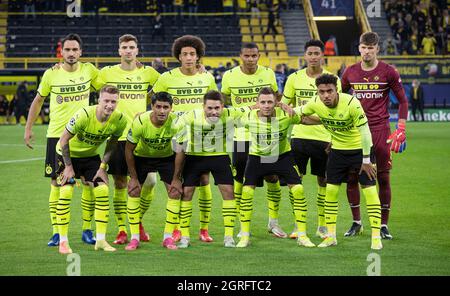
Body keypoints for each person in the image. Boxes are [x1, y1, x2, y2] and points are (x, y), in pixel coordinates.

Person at [24, 33, 99, 247]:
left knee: (89, 183)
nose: (72, 53)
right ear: (61, 52)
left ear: (81, 52)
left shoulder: (89, 70)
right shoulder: (51, 74)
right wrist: (28, 129)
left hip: (83, 135)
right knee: (57, 183)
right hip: (57, 135)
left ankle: (87, 230)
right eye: (67, 50)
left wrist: (133, 64)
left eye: (75, 50)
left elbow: (111, 80)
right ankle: (57, 232)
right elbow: (38, 101)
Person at [296, 74, 383, 250]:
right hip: (337, 152)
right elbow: (298, 113)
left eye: (329, 91)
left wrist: (366, 160)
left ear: (337, 90)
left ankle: (375, 237)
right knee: (331, 191)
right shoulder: (315, 102)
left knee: (370, 192)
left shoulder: (351, 103)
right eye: (322, 92)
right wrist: (284, 109)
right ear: (317, 92)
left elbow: (365, 132)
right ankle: (331, 236)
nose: (326, 95)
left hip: (361, 151)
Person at [92, 34, 161, 246]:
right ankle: (123, 229)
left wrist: (201, 69)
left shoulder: (148, 73)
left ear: (137, 50)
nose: (128, 50)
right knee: (120, 183)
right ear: (119, 50)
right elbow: (84, 77)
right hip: (118, 137)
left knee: (150, 181)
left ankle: (137, 221)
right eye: (124, 47)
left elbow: (171, 81)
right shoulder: (107, 73)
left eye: (132, 47)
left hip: (142, 137)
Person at [341, 32, 408, 239]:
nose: (367, 51)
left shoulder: (388, 71)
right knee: (352, 177)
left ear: (377, 48)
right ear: (359, 48)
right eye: (364, 47)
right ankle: (356, 222)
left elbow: (403, 102)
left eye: (371, 47)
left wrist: (401, 128)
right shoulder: (349, 72)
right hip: (355, 131)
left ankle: (383, 225)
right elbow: (340, 99)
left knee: (383, 178)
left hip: (380, 130)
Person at [151, 35, 218, 243]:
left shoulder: (207, 78)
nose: (189, 57)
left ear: (198, 56)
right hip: (175, 137)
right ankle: (177, 227)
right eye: (184, 54)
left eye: (192, 54)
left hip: (202, 136)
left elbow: (214, 106)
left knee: (204, 180)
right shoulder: (166, 78)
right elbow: (154, 102)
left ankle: (204, 229)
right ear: (178, 56)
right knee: (176, 182)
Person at [236, 87, 316, 248]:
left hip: (282, 157)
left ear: (276, 103)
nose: (266, 105)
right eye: (263, 102)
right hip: (257, 157)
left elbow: (306, 119)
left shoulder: (286, 115)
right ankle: (244, 236)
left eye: (270, 102)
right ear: (257, 103)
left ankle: (302, 235)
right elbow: (225, 118)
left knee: (298, 189)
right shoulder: (247, 117)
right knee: (247, 191)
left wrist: (330, 121)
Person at [221, 42, 285, 238]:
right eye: (247, 56)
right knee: (240, 179)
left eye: (254, 56)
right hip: (241, 134)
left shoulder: (268, 73)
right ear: (241, 56)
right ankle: (243, 225)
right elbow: (224, 100)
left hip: (265, 133)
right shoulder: (229, 76)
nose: (250, 59)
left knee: (272, 176)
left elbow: (276, 97)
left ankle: (273, 222)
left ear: (259, 56)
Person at [170, 90, 249, 248]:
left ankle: (228, 237)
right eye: (210, 108)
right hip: (195, 156)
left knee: (228, 192)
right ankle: (185, 237)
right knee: (187, 194)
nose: (214, 111)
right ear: (203, 106)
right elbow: (173, 126)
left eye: (217, 108)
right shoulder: (191, 115)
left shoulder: (230, 113)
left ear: (222, 107)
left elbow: (252, 109)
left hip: (219, 156)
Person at [55, 85, 127, 254]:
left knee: (102, 190)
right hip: (67, 155)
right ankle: (63, 242)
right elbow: (64, 139)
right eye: (106, 101)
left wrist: (103, 166)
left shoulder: (120, 120)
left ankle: (100, 240)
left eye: (113, 101)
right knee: (65, 192)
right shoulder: (84, 115)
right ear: (98, 100)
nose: (109, 105)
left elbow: (112, 143)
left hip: (90, 156)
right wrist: (68, 167)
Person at [282, 39, 341, 240]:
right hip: (299, 138)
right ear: (305, 55)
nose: (314, 56)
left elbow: (336, 110)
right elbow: (284, 106)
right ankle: (299, 226)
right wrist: (297, 118)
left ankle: (322, 226)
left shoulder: (333, 79)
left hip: (324, 139)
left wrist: (310, 120)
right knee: (294, 182)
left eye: (317, 53)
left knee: (323, 182)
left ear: (322, 55)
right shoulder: (294, 78)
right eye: (310, 53)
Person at [125, 92, 183, 251]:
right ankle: (135, 238)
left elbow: (180, 151)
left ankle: (167, 238)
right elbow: (129, 150)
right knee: (134, 191)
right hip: (142, 157)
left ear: (171, 108)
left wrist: (177, 178)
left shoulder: (177, 122)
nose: (162, 111)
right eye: (158, 106)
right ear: (152, 107)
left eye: (166, 107)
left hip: (166, 158)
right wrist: (133, 178)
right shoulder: (140, 122)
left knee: (175, 192)